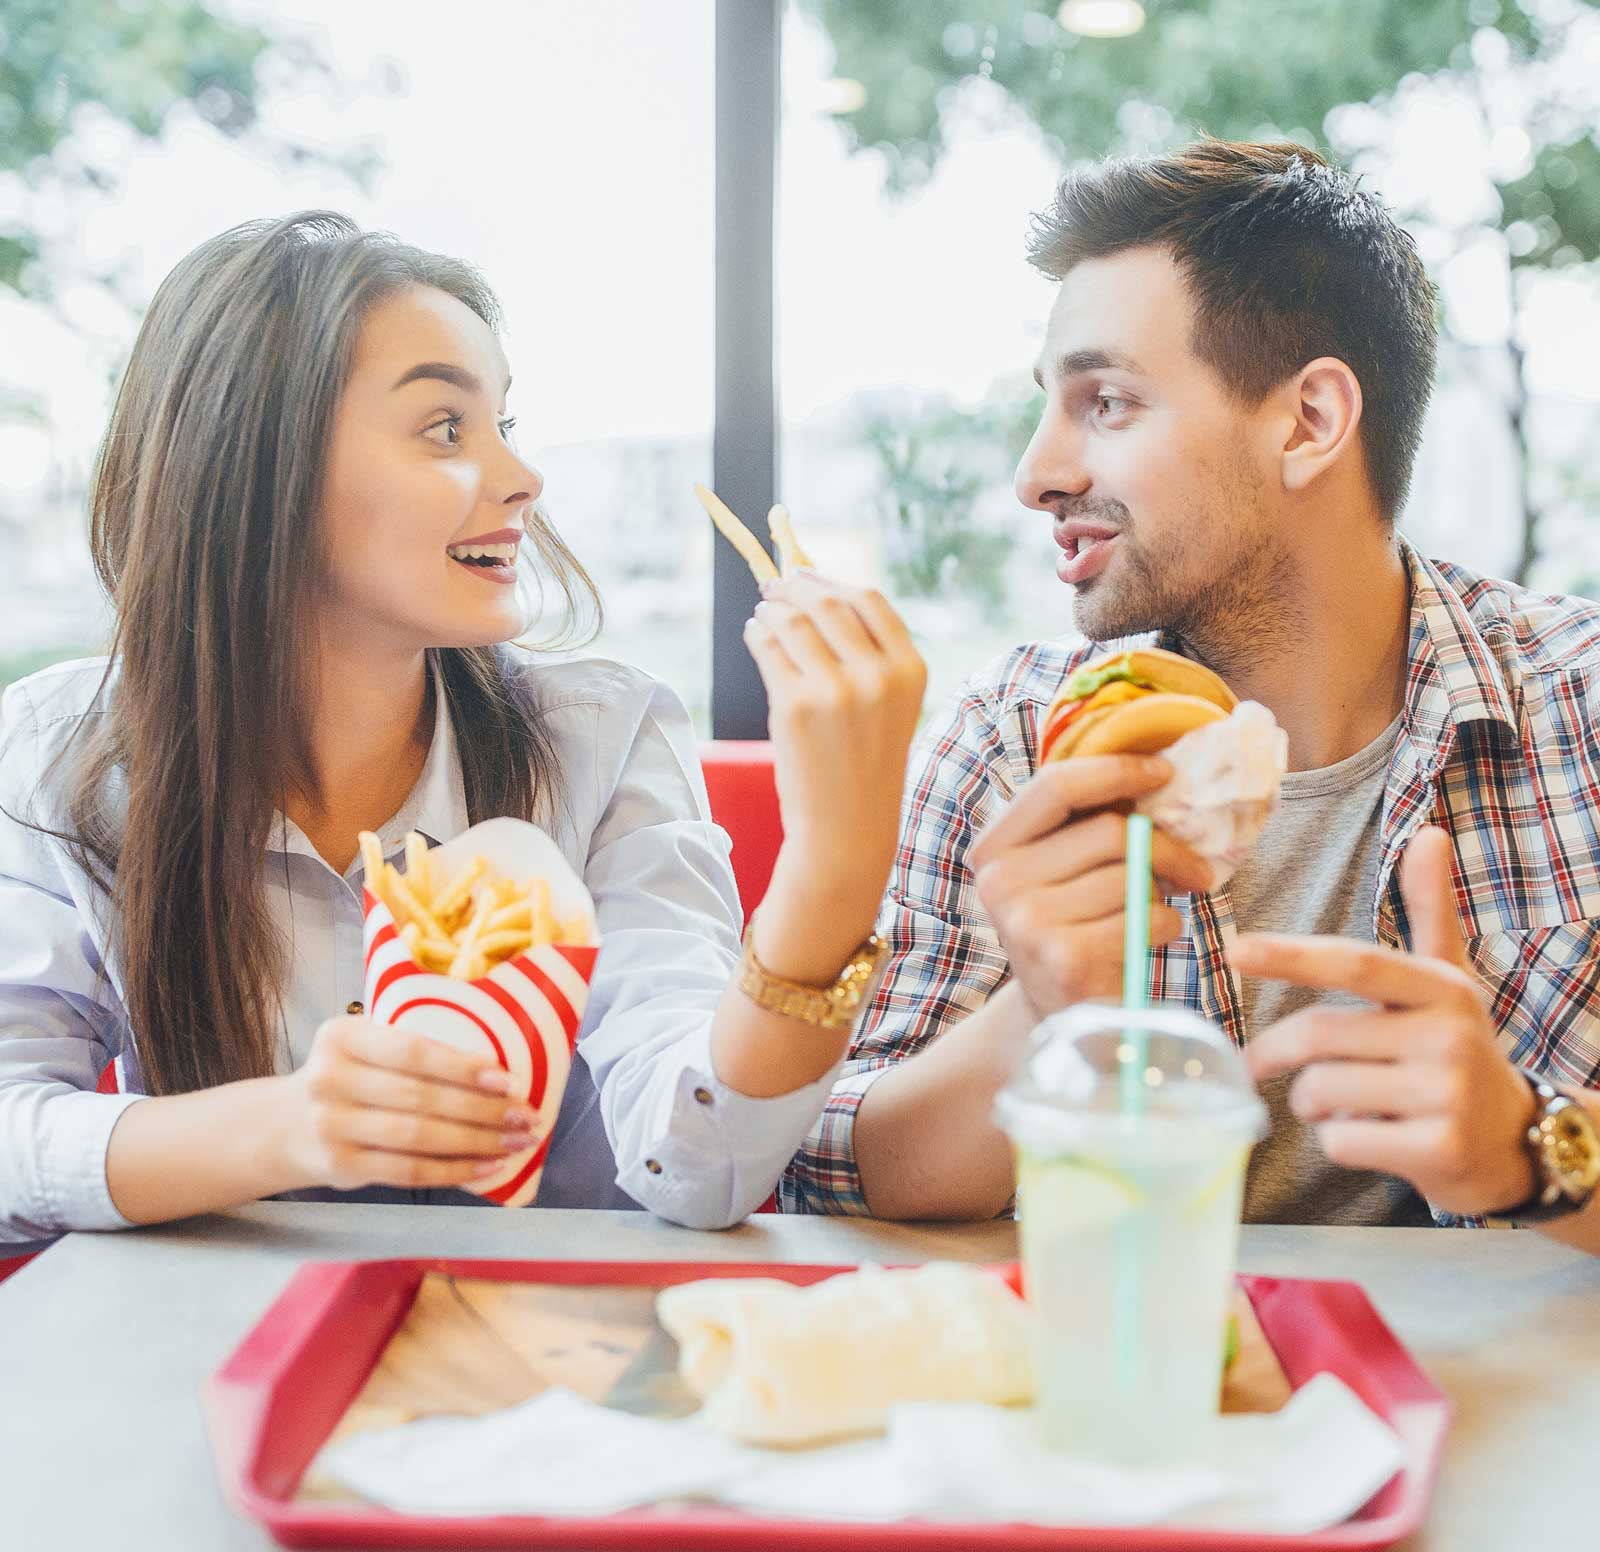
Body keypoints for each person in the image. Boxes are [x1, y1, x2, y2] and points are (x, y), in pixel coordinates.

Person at [0, 211, 926, 1248]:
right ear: (258, 466)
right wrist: (292, 1126)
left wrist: (834, 871)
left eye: (506, 425)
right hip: (208, 1358)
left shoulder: (600, 736)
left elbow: (701, 1168)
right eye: (446, 427)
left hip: (545, 1362)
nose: (521, 477)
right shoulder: (55, 751)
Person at [783, 140, 1600, 1254]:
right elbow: (827, 1168)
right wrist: (1038, 1013)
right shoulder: (1016, 739)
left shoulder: (1579, 707)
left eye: (1105, 402)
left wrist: (1528, 1150)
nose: (1035, 473)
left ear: (1308, 421)